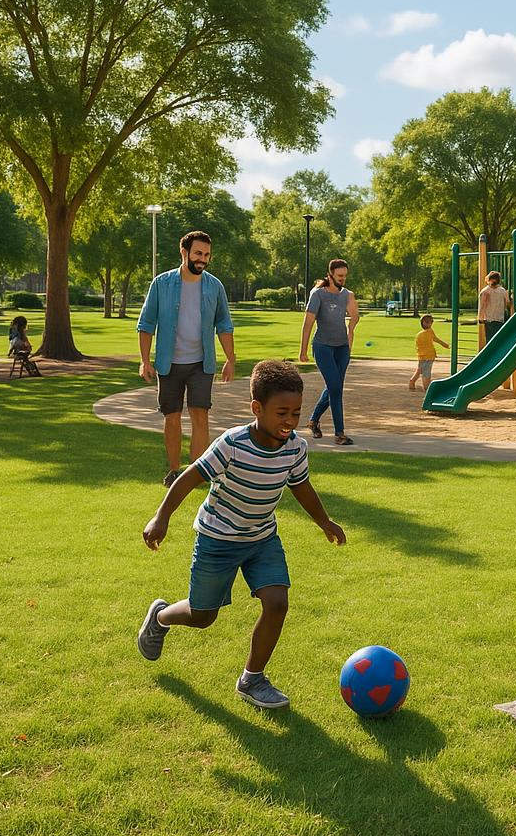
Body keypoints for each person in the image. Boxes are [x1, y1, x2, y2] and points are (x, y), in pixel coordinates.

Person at [137, 359, 346, 710]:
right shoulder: (232, 444)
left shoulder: (295, 448)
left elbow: (301, 486)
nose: (290, 421)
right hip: (217, 540)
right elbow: (190, 477)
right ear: (257, 408)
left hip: (262, 538)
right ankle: (160, 616)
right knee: (203, 616)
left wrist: (324, 521)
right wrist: (161, 517)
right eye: (282, 413)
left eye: (296, 413)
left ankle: (252, 679)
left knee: (277, 602)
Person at [137, 230, 236, 487]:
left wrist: (230, 359)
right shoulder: (161, 284)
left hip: (201, 363)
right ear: (184, 252)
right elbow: (146, 324)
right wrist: (145, 360)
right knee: (171, 417)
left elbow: (224, 324)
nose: (202, 259)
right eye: (198, 253)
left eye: (207, 255)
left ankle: (195, 474)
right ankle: (174, 471)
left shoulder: (214, 286)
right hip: (168, 363)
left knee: (200, 415)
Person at [299, 258, 359, 446]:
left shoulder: (347, 295)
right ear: (330, 275)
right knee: (335, 388)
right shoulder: (318, 294)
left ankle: (313, 421)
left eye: (345, 276)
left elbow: (355, 316)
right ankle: (340, 434)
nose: (343, 279)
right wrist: (303, 350)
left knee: (334, 387)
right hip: (323, 347)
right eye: (340, 276)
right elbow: (308, 323)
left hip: (342, 348)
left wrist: (351, 327)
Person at [410, 314, 449, 391]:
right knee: (426, 372)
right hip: (426, 356)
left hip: (425, 356)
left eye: (431, 322)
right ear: (424, 323)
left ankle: (412, 381)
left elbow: (435, 339)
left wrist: (445, 345)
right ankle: (426, 386)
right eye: (430, 322)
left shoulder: (428, 332)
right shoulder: (423, 334)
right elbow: (423, 345)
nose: (431, 324)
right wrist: (445, 345)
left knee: (420, 370)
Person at [478, 271, 512, 343]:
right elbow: (507, 303)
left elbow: (482, 306)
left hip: (490, 319)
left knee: (490, 339)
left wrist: (480, 317)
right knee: (499, 339)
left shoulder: (485, 291)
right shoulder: (502, 291)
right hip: (499, 318)